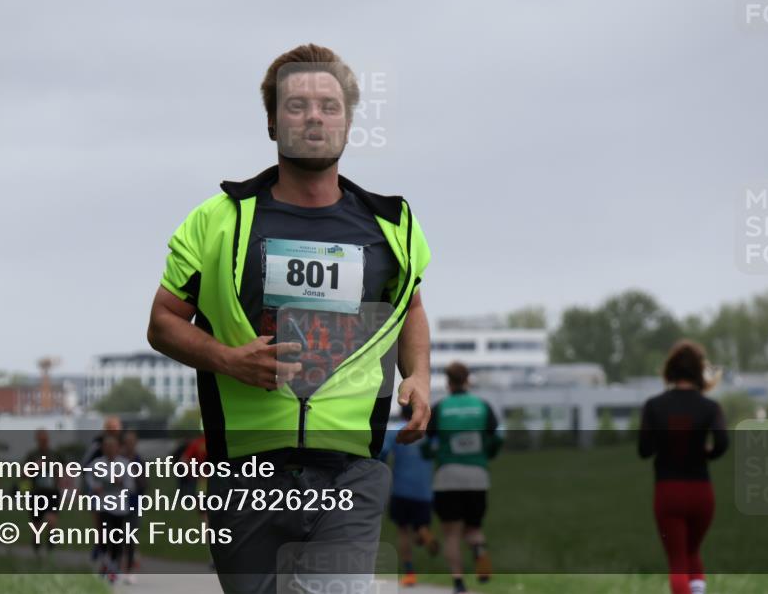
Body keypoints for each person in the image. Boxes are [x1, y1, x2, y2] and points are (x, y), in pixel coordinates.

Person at [148, 43, 432, 594]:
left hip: (350, 467)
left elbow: (412, 307)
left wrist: (416, 374)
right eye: (296, 105)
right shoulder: (218, 220)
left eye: (328, 105)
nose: (314, 118)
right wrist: (229, 359)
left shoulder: (391, 226)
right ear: (273, 123)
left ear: (348, 121)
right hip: (246, 473)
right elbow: (163, 321)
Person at [639, 340, 728, 594]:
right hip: (701, 492)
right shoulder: (710, 407)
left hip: (668, 492)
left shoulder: (654, 406)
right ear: (699, 371)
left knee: (677, 561)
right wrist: (706, 453)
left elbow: (644, 450)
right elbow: (722, 443)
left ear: (670, 370)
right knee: (692, 552)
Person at [425, 362, 502, 592]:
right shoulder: (482, 406)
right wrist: (487, 455)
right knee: (474, 528)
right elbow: (496, 439)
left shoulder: (440, 408)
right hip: (477, 476)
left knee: (451, 534)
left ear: (448, 382)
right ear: (467, 380)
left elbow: (428, 442)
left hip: (448, 476)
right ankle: (479, 549)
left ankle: (458, 583)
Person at [380, 403, 438, 587]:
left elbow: (382, 453)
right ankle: (423, 532)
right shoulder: (427, 434)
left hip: (401, 490)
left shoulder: (396, 431)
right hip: (424, 491)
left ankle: (410, 573)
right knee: (420, 524)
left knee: (403, 531)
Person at [85, 433, 135, 583]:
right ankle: (106, 564)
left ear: (118, 448)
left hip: (119, 507)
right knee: (105, 537)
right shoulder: (96, 464)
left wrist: (121, 483)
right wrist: (95, 487)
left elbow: (131, 485)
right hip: (103, 506)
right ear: (103, 448)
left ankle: (112, 567)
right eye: (107, 446)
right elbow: (89, 478)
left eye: (113, 446)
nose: (110, 449)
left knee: (117, 540)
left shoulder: (125, 464)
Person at [22, 428, 63, 557]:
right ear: (37, 440)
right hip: (37, 493)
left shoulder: (55, 455)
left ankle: (50, 547)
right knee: (37, 526)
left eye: (45, 439)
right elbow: (23, 474)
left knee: (52, 521)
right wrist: (34, 468)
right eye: (40, 440)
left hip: (52, 492)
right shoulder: (32, 455)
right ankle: (37, 547)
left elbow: (64, 472)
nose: (43, 442)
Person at [120, 430, 147, 583]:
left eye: (133, 442)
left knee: (130, 536)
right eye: (128, 442)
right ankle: (116, 564)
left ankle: (129, 568)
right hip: (116, 504)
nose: (130, 445)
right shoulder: (118, 460)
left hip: (134, 503)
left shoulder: (139, 460)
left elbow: (144, 484)